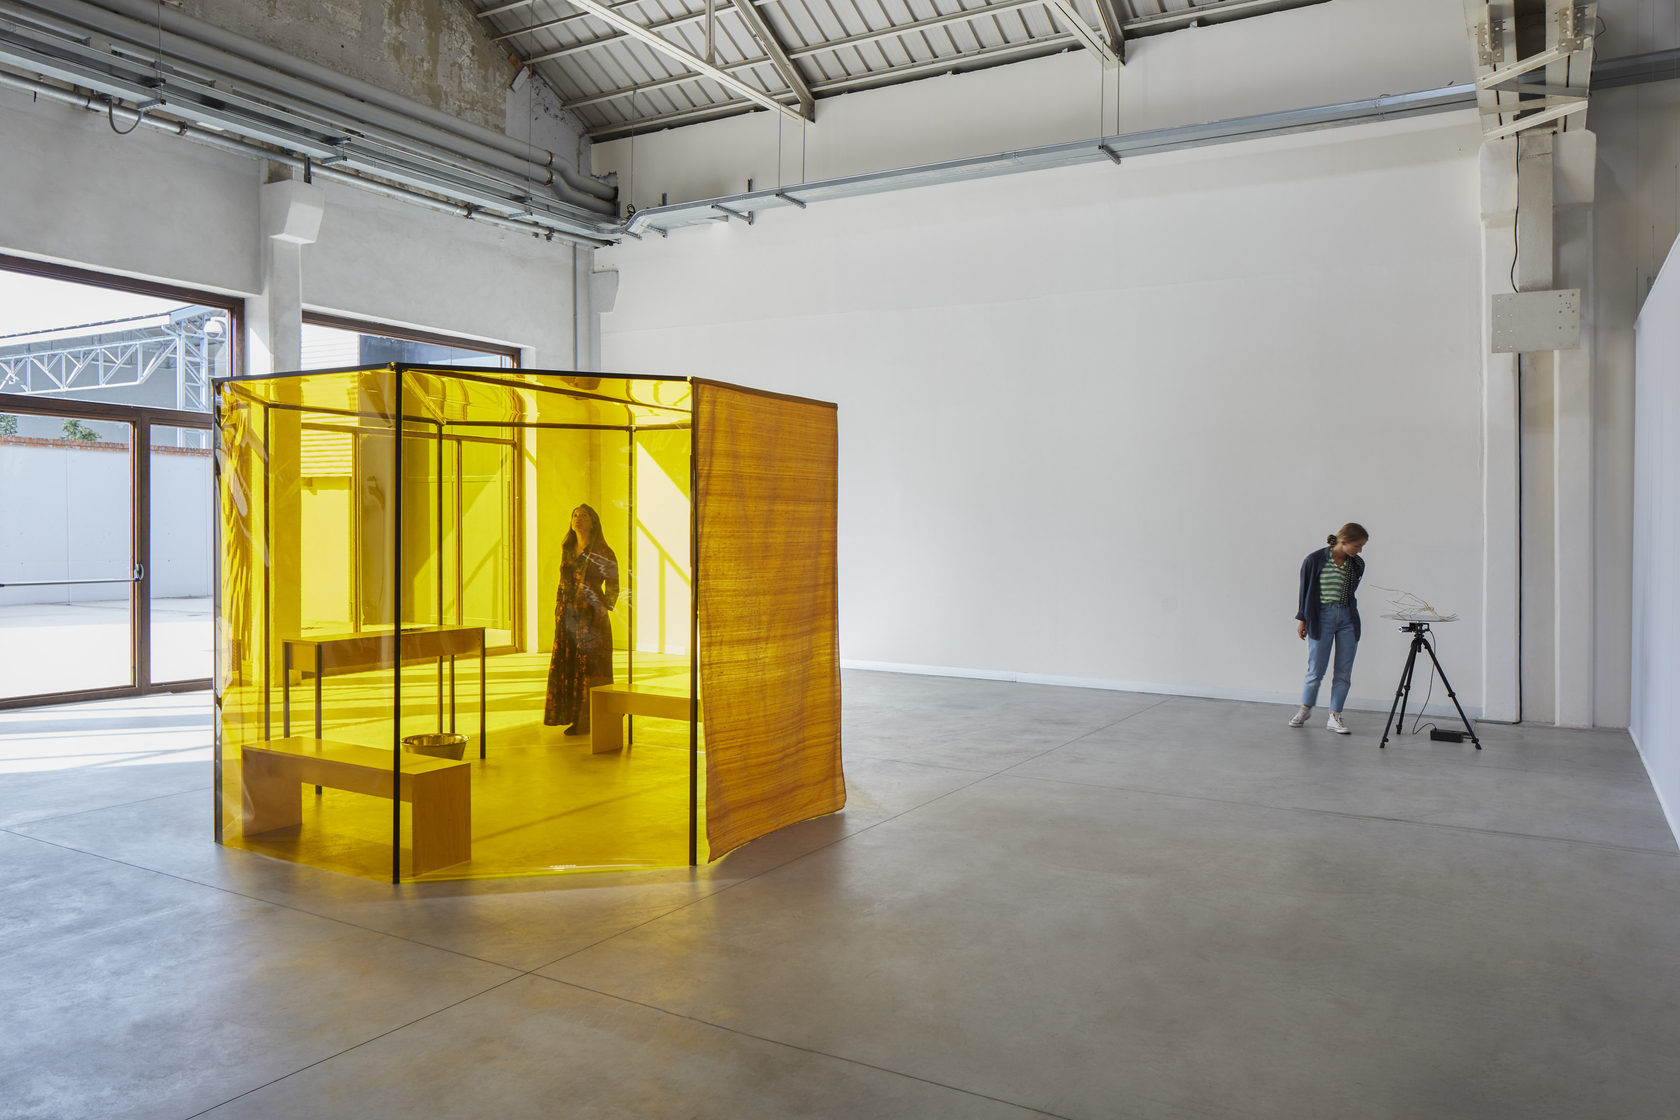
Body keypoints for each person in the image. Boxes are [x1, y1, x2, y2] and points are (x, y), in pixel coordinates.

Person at [543, 504, 619, 734]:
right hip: (567, 616)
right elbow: (562, 582)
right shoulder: (567, 548)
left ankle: (589, 719)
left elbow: (613, 583)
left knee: (590, 667)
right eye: (574, 515)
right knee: (569, 665)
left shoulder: (603, 551)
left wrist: (605, 606)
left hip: (592, 618)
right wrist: (558, 609)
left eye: (582, 515)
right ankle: (572, 716)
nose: (577, 519)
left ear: (593, 522)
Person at [1290, 523, 1369, 734]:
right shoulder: (1315, 560)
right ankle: (1305, 709)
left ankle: (1335, 716)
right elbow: (1304, 591)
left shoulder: (1356, 564)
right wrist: (1302, 620)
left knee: (1344, 671)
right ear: (1344, 541)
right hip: (1320, 617)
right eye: (1357, 545)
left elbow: (1351, 593)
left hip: (1347, 618)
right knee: (1316, 669)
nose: (1360, 550)